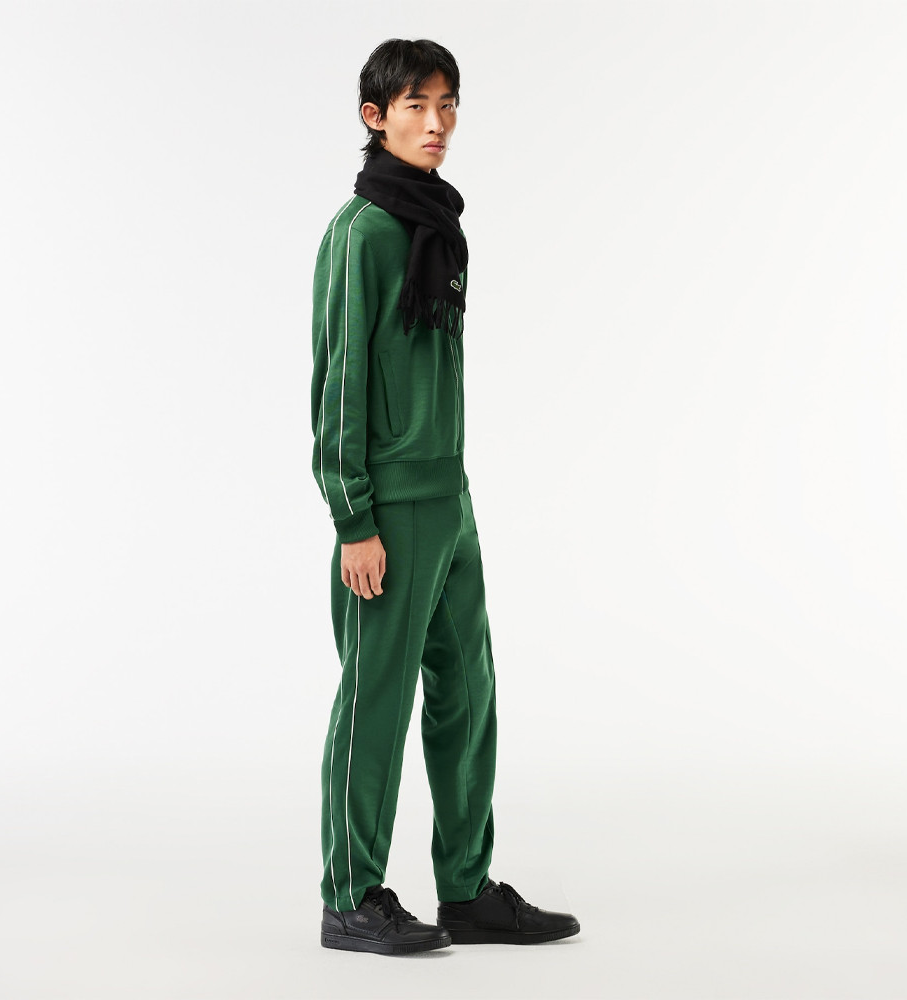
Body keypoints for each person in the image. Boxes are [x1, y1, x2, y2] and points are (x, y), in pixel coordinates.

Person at [310, 38, 580, 956]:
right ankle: (350, 896)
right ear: (375, 117)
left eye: (448, 104)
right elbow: (339, 386)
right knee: (376, 700)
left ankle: (465, 888)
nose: (437, 123)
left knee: (468, 688)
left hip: (448, 496)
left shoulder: (436, 223)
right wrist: (354, 518)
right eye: (416, 105)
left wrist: (450, 492)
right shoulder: (363, 234)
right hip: (387, 506)